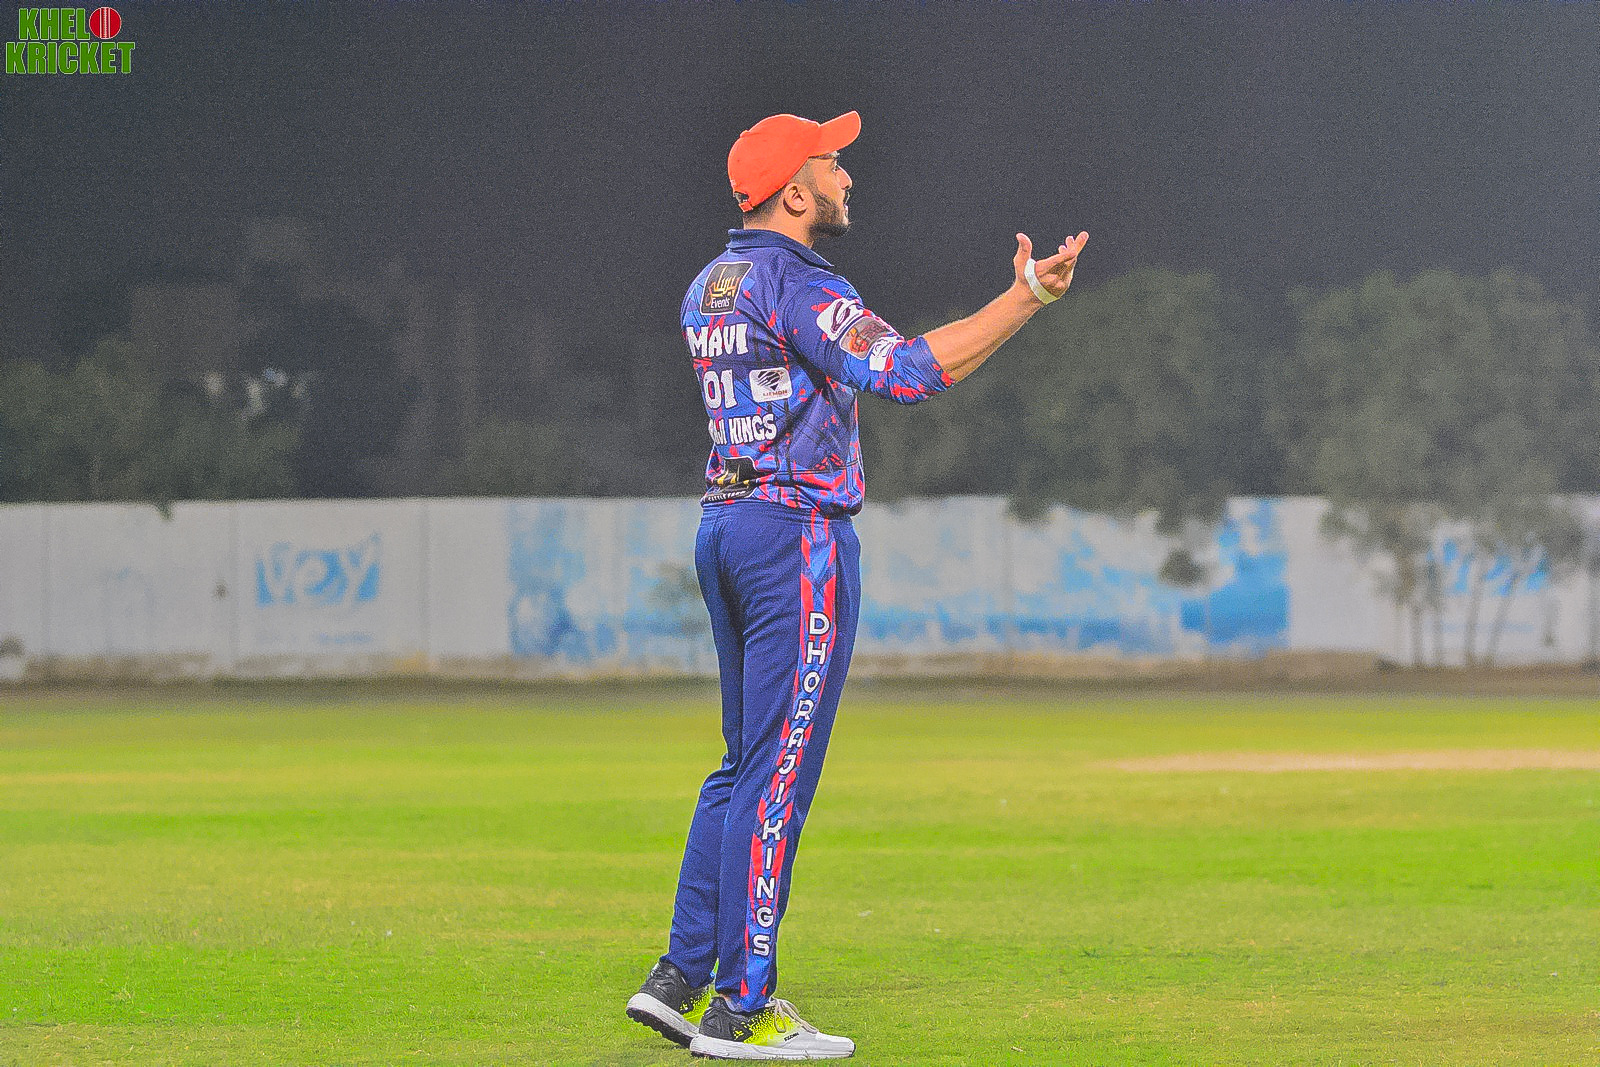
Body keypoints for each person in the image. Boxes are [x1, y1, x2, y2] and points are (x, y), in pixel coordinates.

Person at [625, 109, 1088, 1061]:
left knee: (741, 765)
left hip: (725, 523)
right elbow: (910, 372)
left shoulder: (709, 284)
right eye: (832, 163)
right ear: (794, 191)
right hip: (796, 538)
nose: (846, 178)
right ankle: (743, 1006)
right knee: (777, 775)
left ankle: (679, 977)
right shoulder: (800, 281)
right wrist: (1028, 297)